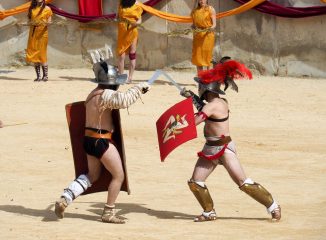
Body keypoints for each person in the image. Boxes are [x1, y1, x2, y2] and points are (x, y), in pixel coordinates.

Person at [180, 57, 281, 222]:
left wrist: (179, 121)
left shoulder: (214, 105)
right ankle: (208, 212)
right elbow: (203, 109)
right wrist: (191, 97)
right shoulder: (216, 102)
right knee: (196, 182)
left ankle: (273, 206)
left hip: (224, 148)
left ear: (205, 88)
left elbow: (196, 120)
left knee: (243, 183)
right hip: (210, 148)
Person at [54, 60, 150, 224]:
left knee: (93, 175)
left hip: (89, 140)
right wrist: (139, 88)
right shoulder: (106, 95)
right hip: (101, 141)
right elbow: (124, 100)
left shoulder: (92, 94)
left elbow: (118, 99)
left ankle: (66, 197)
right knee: (118, 176)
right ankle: (108, 212)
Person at [116, 0, 143, 83]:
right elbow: (118, 16)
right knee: (121, 55)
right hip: (122, 32)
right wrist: (119, 21)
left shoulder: (137, 4)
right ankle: (121, 77)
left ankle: (130, 78)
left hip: (132, 31)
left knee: (132, 54)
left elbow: (139, 20)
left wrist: (134, 24)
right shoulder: (121, 2)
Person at [26, 0, 53, 82]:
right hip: (33, 33)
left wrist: (45, 23)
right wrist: (31, 23)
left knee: (42, 53)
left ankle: (45, 76)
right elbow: (29, 20)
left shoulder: (47, 9)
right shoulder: (32, 9)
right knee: (34, 53)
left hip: (42, 34)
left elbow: (49, 22)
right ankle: (38, 76)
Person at [191, 0, 216, 75]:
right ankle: (200, 78)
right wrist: (193, 27)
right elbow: (194, 24)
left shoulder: (211, 9)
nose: (202, 1)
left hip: (208, 35)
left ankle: (209, 79)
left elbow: (214, 24)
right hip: (198, 35)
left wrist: (210, 28)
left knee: (208, 57)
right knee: (198, 58)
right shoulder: (195, 11)